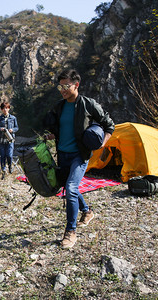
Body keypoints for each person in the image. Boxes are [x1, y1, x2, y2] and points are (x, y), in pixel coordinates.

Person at [43, 69, 114, 249]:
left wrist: (102, 143)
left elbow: (109, 125)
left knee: (71, 187)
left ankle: (70, 231)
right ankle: (87, 211)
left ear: (76, 84)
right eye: (60, 86)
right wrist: (53, 135)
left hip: (79, 155)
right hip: (63, 153)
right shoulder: (59, 106)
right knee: (69, 185)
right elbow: (61, 128)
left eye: (66, 85)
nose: (63, 89)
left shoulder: (88, 104)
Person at [0, 101, 19, 179]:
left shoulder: (13, 118)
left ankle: (10, 167)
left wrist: (12, 130)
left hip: (10, 140)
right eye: (3, 108)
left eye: (6, 108)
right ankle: (3, 169)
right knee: (2, 155)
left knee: (9, 155)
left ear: (9, 108)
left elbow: (17, 128)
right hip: (1, 140)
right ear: (1, 109)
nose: (5, 110)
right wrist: (0, 129)